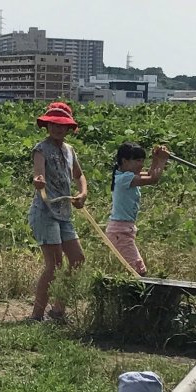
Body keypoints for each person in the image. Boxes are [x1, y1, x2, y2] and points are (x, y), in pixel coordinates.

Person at [28, 102, 88, 322]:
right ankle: (37, 314)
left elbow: (79, 175)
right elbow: (38, 172)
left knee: (77, 259)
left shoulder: (69, 150)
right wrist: (38, 181)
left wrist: (82, 193)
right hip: (45, 211)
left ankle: (58, 309)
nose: (57, 129)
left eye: (62, 125)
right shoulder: (41, 149)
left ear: (68, 128)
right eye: (53, 124)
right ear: (47, 125)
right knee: (54, 265)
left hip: (64, 212)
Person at [104, 142, 170, 275]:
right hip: (120, 232)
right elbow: (153, 179)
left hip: (125, 229)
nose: (141, 164)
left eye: (142, 161)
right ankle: (137, 293)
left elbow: (151, 173)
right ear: (124, 161)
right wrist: (162, 161)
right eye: (137, 161)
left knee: (133, 269)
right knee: (137, 270)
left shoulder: (128, 175)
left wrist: (155, 159)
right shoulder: (125, 178)